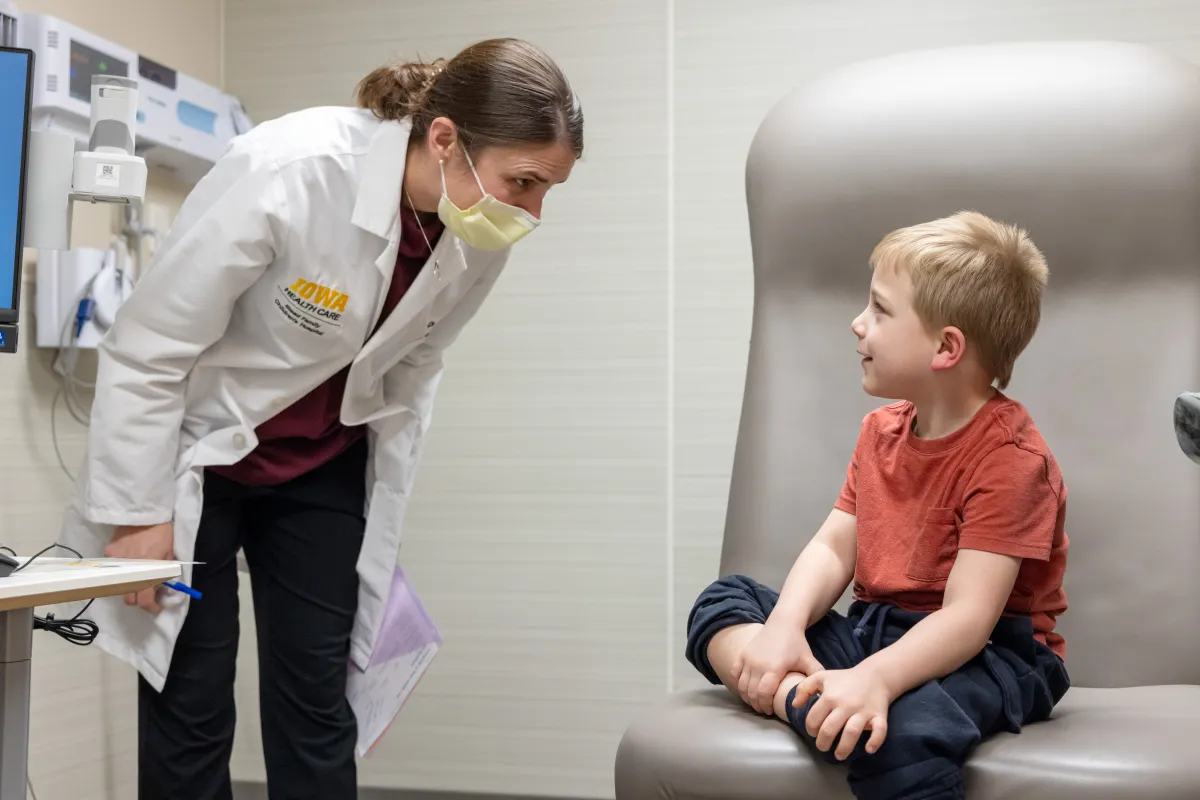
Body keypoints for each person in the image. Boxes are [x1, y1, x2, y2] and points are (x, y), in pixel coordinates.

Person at [58, 38, 582, 800]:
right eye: (523, 182)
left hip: (319, 467)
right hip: (197, 460)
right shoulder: (291, 170)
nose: (532, 213)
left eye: (546, 191)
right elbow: (150, 345)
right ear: (445, 140)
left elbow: (410, 368)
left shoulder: (474, 235)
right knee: (190, 700)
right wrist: (136, 513)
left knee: (318, 707)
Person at [684, 211, 1071, 800]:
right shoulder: (880, 431)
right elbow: (834, 545)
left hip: (991, 654)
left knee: (901, 733)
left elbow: (969, 619)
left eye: (880, 311)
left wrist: (873, 680)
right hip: (878, 633)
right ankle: (811, 698)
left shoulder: (1012, 460)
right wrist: (785, 628)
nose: (857, 325)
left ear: (946, 348)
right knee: (723, 601)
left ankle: (817, 704)